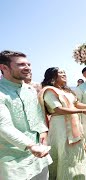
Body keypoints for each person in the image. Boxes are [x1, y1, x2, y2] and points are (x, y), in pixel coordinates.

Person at [0, 50, 52, 180]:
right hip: (12, 159)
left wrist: (43, 132)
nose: (28, 68)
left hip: (39, 154)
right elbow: (4, 125)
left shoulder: (30, 90)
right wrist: (30, 145)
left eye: (28, 64)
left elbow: (38, 115)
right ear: (4, 67)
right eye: (21, 64)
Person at [39, 67, 86, 179]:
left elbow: (76, 103)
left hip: (74, 123)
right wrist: (82, 111)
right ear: (53, 76)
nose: (64, 74)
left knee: (76, 150)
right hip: (60, 126)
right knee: (64, 151)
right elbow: (58, 109)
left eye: (64, 72)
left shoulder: (66, 90)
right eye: (60, 73)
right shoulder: (49, 91)